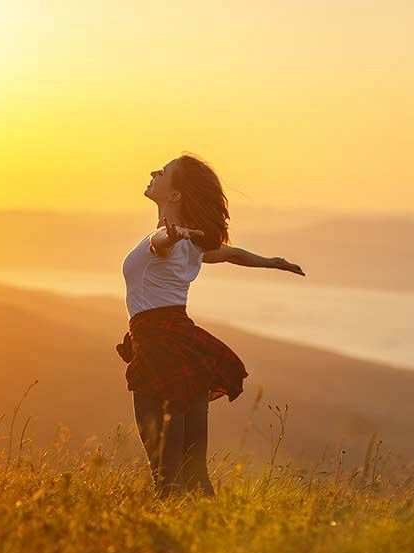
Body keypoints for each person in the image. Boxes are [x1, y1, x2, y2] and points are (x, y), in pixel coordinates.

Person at [116, 154, 305, 498]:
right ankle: (210, 530)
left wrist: (170, 236)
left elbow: (162, 243)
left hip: (159, 348)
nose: (154, 173)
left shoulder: (168, 240)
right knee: (193, 469)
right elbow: (232, 254)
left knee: (166, 475)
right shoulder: (190, 243)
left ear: (175, 196)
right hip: (182, 345)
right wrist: (271, 262)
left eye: (164, 172)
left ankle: (176, 541)